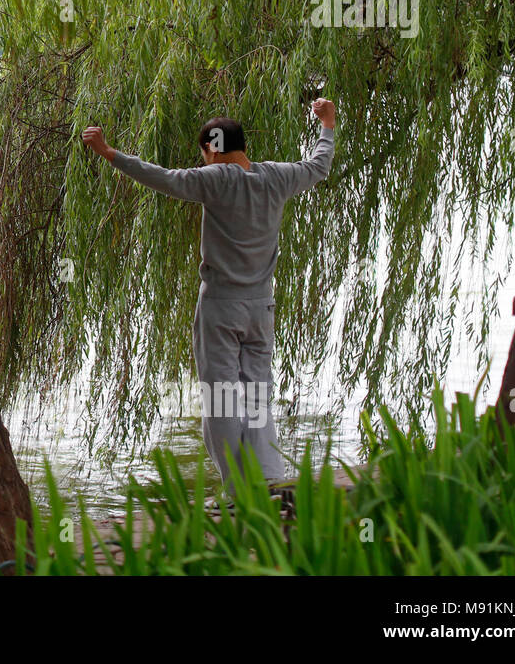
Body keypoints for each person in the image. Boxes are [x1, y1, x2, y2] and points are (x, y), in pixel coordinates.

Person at [81, 99, 336, 493]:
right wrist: (327, 126)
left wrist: (108, 153)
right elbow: (319, 166)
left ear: (213, 149)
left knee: (219, 399)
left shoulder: (215, 179)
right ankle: (268, 479)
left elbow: (162, 178)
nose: (201, 163)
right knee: (256, 395)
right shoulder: (279, 177)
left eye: (203, 154)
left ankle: (237, 490)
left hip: (220, 306)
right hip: (261, 307)